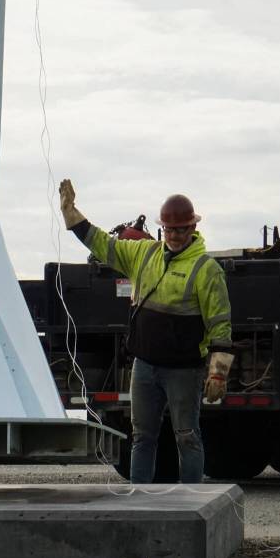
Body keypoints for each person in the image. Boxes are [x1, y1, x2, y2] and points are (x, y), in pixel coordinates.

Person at [59, 179, 233, 483]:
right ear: (162, 229)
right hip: (145, 366)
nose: (176, 235)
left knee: (187, 437)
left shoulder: (207, 270)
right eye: (170, 229)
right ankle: (139, 504)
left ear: (193, 228)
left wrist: (218, 373)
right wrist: (72, 215)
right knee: (141, 438)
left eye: (182, 229)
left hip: (184, 369)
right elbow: (104, 243)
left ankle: (190, 503)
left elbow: (221, 324)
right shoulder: (144, 254)